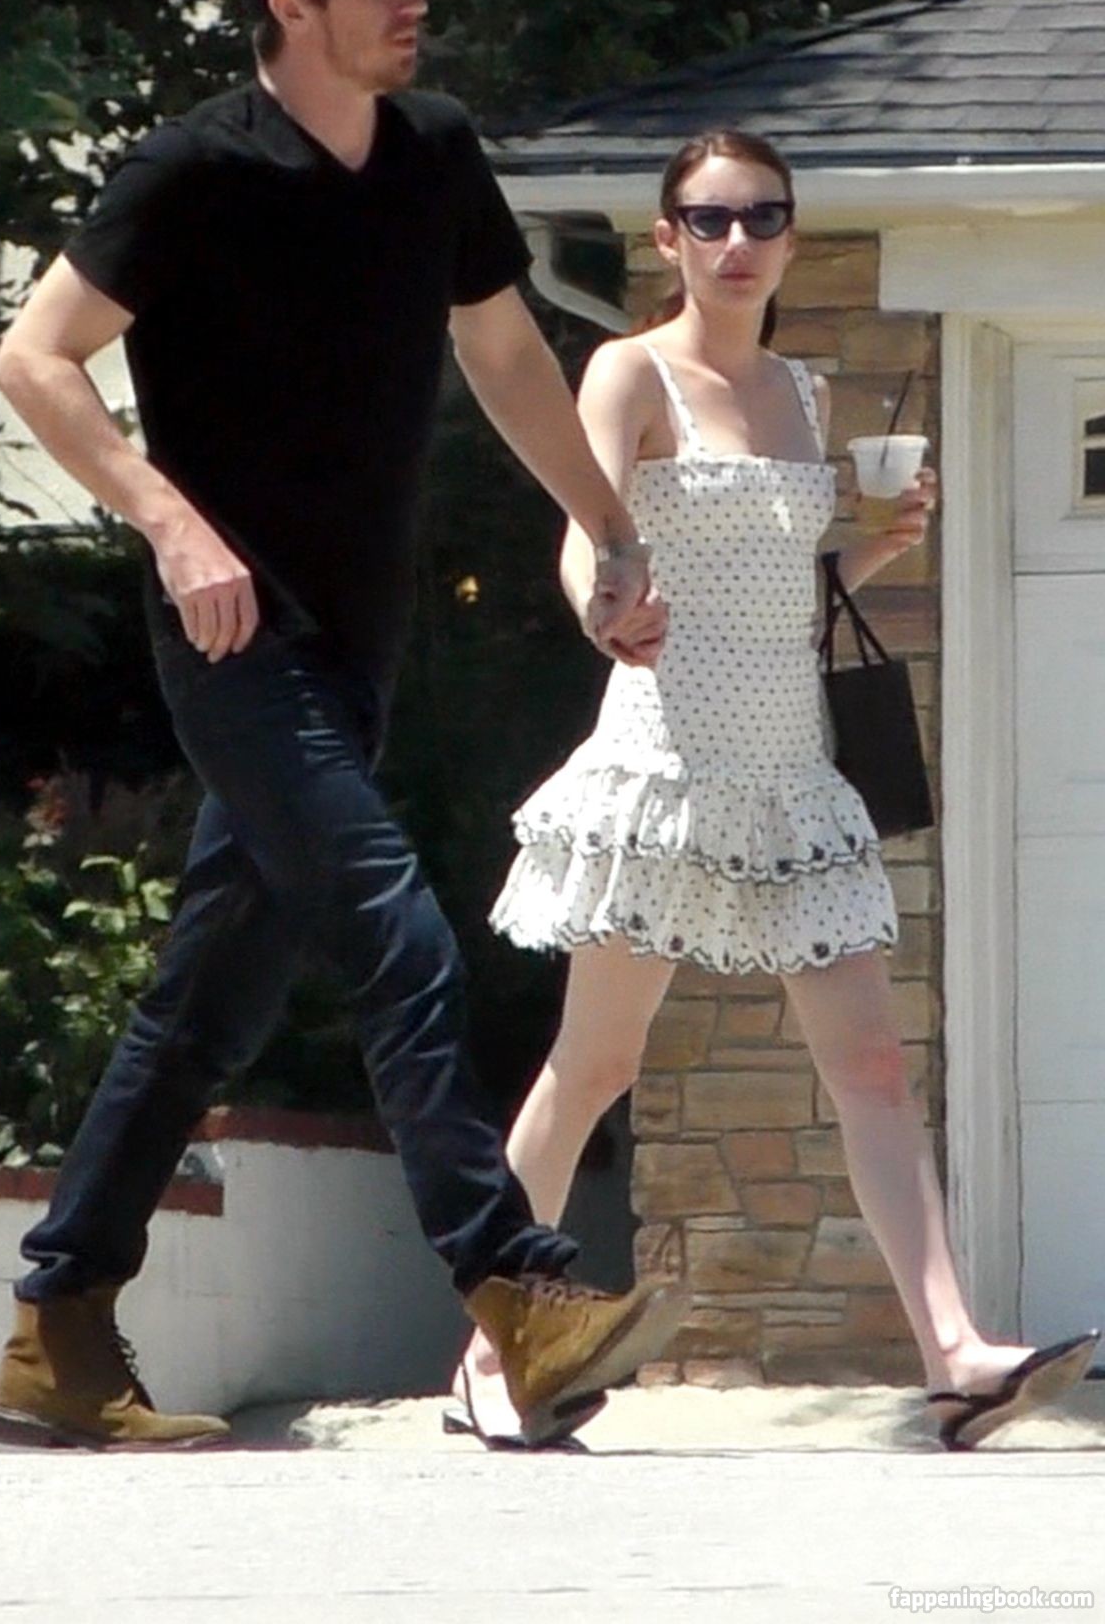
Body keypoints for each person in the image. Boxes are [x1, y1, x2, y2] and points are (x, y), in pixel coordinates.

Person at [0, 0, 688, 1453]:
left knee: (208, 1004)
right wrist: (171, 523)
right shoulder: (192, 169)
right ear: (289, 7)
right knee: (396, 933)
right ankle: (517, 1287)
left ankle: (57, 1333)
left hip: (358, 648)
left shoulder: (433, 153)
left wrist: (606, 529)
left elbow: (504, 352)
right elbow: (33, 357)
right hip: (237, 643)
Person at [452, 128, 1098, 1450]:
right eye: (709, 219)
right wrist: (605, 610)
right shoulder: (630, 370)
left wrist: (875, 549)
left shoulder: (805, 392)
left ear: (793, 236)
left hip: (793, 772)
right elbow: (586, 539)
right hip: (668, 763)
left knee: (873, 1065)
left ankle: (955, 1355)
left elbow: (784, 599)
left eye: (762, 216)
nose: (737, 241)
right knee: (595, 1064)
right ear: (668, 239)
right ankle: (485, 1350)